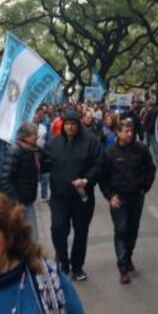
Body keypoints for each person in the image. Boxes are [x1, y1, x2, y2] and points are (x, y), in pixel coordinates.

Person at [43, 110, 104, 280]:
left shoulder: (91, 141)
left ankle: (77, 266)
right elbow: (43, 164)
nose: (70, 127)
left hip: (82, 197)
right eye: (67, 124)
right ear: (63, 125)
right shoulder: (54, 143)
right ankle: (62, 261)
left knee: (81, 232)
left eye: (73, 124)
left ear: (79, 125)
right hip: (59, 197)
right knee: (58, 228)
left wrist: (87, 180)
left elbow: (100, 164)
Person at [96, 119, 155, 284]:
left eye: (131, 131)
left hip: (136, 197)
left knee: (132, 231)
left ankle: (128, 257)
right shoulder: (109, 153)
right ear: (118, 133)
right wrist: (110, 196)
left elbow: (150, 168)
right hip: (118, 199)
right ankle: (122, 267)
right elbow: (103, 177)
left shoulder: (141, 150)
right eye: (126, 131)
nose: (129, 134)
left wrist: (145, 187)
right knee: (121, 230)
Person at [0, 122, 43, 240]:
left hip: (27, 201)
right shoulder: (15, 151)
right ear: (26, 137)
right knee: (25, 238)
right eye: (34, 134)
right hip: (19, 203)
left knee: (31, 237)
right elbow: (6, 179)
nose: (37, 137)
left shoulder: (32, 150)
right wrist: (16, 201)